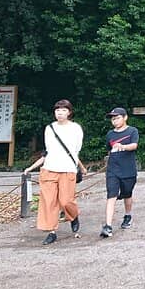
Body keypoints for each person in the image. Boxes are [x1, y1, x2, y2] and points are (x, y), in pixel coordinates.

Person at [23, 99, 87, 245]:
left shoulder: (76, 128)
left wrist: (81, 167)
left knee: (66, 201)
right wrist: (31, 167)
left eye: (64, 110)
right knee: (48, 201)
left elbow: (75, 151)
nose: (60, 113)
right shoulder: (49, 128)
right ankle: (51, 231)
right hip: (49, 168)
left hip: (67, 170)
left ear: (69, 112)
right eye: (58, 110)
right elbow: (48, 151)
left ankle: (73, 215)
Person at [100, 107, 138, 239]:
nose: (114, 120)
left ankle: (128, 215)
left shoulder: (132, 131)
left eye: (117, 118)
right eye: (112, 118)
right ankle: (108, 226)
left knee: (127, 194)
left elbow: (134, 145)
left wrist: (123, 146)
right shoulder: (110, 134)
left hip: (128, 170)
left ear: (125, 117)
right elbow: (108, 150)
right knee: (111, 195)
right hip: (113, 170)